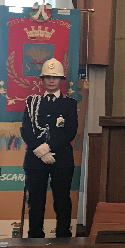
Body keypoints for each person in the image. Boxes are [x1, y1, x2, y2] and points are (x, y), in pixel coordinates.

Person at [21, 58, 78, 238]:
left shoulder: (70, 104)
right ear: (42, 80)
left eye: (55, 77)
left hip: (61, 159)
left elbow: (70, 131)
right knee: (35, 200)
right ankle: (35, 236)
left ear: (61, 80)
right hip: (35, 159)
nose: (51, 80)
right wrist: (39, 149)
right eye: (47, 77)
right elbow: (25, 129)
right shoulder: (32, 102)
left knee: (62, 199)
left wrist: (47, 147)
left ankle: (63, 236)